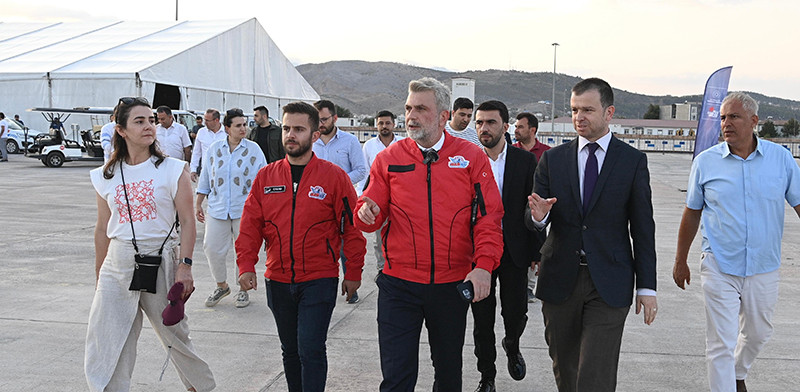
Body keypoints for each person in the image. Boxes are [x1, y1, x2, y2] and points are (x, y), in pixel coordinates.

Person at [355, 77, 503, 392]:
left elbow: (490, 217)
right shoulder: (389, 158)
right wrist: (365, 212)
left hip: (451, 286)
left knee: (449, 376)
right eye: (408, 108)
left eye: (421, 108)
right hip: (399, 285)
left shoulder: (471, 157)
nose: (411, 116)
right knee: (396, 378)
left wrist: (484, 265)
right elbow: (370, 210)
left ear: (443, 116)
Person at [526, 77, 657, 392]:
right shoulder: (552, 160)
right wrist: (538, 217)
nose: (578, 117)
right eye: (573, 110)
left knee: (594, 373)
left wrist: (648, 286)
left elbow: (643, 227)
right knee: (565, 367)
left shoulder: (632, 161)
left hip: (609, 281)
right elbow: (534, 216)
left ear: (609, 112)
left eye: (587, 109)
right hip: (560, 278)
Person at [673, 92, 800, 392]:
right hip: (719, 262)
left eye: (734, 117)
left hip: (763, 265)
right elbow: (692, 213)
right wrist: (680, 259)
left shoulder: (780, 158)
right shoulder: (706, 163)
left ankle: (737, 373)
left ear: (754, 121)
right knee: (720, 341)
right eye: (723, 118)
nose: (726, 124)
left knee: (758, 333)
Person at [85, 96, 215, 392]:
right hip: (116, 264)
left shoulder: (173, 169)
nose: (149, 126)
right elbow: (102, 228)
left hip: (161, 258)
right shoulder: (104, 175)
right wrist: (99, 275)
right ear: (121, 130)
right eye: (139, 121)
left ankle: (199, 387)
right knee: (105, 336)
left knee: (174, 333)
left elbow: (188, 222)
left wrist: (186, 267)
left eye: (151, 120)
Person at [236, 101, 366, 392]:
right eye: (286, 128)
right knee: (291, 350)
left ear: (315, 135)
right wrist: (246, 265)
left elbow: (352, 228)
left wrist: (353, 272)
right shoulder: (266, 177)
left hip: (319, 279)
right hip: (278, 279)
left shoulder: (335, 177)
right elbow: (249, 227)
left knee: (311, 348)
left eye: (298, 129)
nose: (290, 135)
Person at [470, 100, 542, 392]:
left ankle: (512, 344)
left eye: (490, 122)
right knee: (481, 320)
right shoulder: (468, 160)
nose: (484, 128)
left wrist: (538, 251)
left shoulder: (524, 161)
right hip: (477, 255)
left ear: (505, 126)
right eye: (479, 123)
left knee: (516, 313)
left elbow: (534, 207)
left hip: (514, 250)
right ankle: (487, 376)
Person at [196, 108, 266, 309]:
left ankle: (242, 289)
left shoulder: (254, 150)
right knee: (211, 248)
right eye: (238, 125)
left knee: (243, 251)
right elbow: (206, 176)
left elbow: (263, 179)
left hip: (245, 209)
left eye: (245, 124)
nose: (243, 128)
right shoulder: (215, 149)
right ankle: (221, 285)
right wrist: (198, 202)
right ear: (227, 128)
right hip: (217, 208)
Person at [312, 99, 368, 304]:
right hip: (316, 203)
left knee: (347, 246)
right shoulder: (309, 141)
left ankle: (351, 285)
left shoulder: (350, 141)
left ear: (335, 118)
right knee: (320, 246)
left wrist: (338, 184)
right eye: (317, 120)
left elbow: (361, 171)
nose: (321, 124)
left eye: (324, 119)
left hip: (344, 203)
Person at [357, 110, 403, 274]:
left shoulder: (403, 143)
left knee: (401, 234)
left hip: (400, 198)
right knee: (379, 237)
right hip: (378, 199)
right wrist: (363, 197)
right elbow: (365, 172)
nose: (384, 126)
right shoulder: (369, 145)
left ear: (394, 124)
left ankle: (399, 267)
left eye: (387, 123)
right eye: (381, 123)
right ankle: (381, 268)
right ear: (376, 125)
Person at [513, 112, 551, 303]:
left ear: (532, 130)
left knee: (538, 242)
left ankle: (530, 285)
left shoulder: (547, 153)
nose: (516, 130)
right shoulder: (510, 150)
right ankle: (520, 284)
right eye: (516, 126)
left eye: (520, 127)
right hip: (515, 208)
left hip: (539, 208)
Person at [190, 109, 227, 182]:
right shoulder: (201, 132)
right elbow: (196, 152)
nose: (205, 123)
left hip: (224, 173)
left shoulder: (227, 133)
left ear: (216, 120)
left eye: (207, 120)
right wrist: (193, 169)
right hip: (206, 172)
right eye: (204, 120)